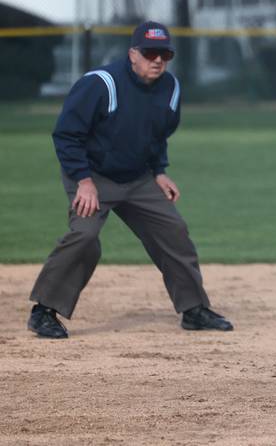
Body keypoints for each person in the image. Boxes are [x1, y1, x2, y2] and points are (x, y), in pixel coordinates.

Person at [27, 21, 233, 339]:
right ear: (133, 54)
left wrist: (160, 171)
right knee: (84, 236)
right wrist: (83, 181)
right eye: (150, 53)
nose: (158, 61)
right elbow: (67, 135)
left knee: (173, 232)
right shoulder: (101, 83)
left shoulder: (170, 87)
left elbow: (156, 136)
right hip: (91, 174)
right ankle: (43, 311)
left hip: (137, 178)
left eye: (165, 54)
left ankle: (194, 310)